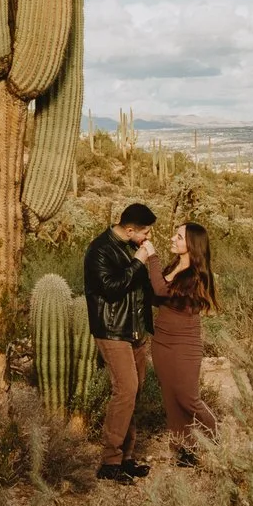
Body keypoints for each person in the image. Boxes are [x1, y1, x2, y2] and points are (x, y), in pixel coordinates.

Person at [83, 202, 159, 482]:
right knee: (125, 390)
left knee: (134, 394)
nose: (148, 238)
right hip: (113, 330)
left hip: (135, 331)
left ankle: (127, 457)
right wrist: (139, 260)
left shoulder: (127, 247)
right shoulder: (99, 250)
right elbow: (112, 289)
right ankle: (110, 462)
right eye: (145, 233)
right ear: (130, 230)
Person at [147, 221, 219, 466]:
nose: (172, 239)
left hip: (185, 345)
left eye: (178, 236)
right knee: (171, 397)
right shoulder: (174, 267)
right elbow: (156, 297)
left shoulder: (196, 276)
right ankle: (184, 451)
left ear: (191, 243)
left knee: (188, 398)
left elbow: (158, 288)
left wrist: (151, 256)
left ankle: (217, 438)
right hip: (162, 341)